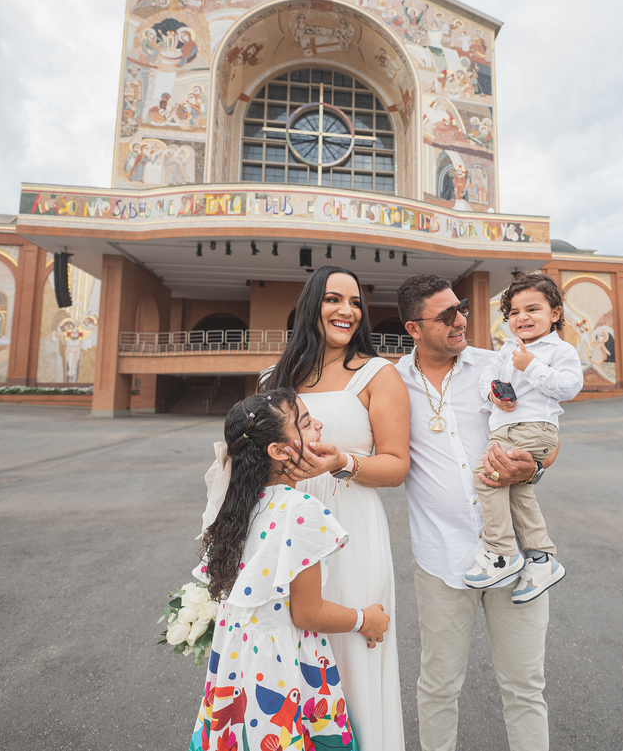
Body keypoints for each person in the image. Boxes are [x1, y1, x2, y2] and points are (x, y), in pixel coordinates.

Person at [396, 273, 560, 751]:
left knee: (525, 688)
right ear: (413, 328)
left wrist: (531, 467)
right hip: (442, 560)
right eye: (446, 316)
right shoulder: (390, 382)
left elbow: (547, 441)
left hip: (515, 561)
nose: (461, 320)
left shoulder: (499, 364)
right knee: (438, 688)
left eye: (461, 307)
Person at [189, 389, 390, 751]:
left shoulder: (235, 504)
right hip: (282, 670)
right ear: (280, 451)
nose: (320, 425)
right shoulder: (300, 510)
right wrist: (366, 619)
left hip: (235, 665)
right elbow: (308, 613)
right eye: (307, 423)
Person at [264, 266, 411, 751]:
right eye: (333, 299)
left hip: (350, 529)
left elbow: (395, 466)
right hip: (283, 525)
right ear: (312, 306)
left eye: (355, 302)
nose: (346, 310)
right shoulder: (273, 378)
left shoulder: (378, 374)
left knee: (349, 640)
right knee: (287, 646)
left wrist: (343, 463)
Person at [468, 273, 582, 600]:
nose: (523, 317)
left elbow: (569, 387)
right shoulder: (506, 349)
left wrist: (531, 365)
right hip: (507, 427)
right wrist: (494, 396)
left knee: (486, 477)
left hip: (533, 428)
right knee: (517, 492)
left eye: (533, 309)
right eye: (514, 312)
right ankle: (541, 558)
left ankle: (502, 552)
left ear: (555, 314)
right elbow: (486, 380)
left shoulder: (559, 350)